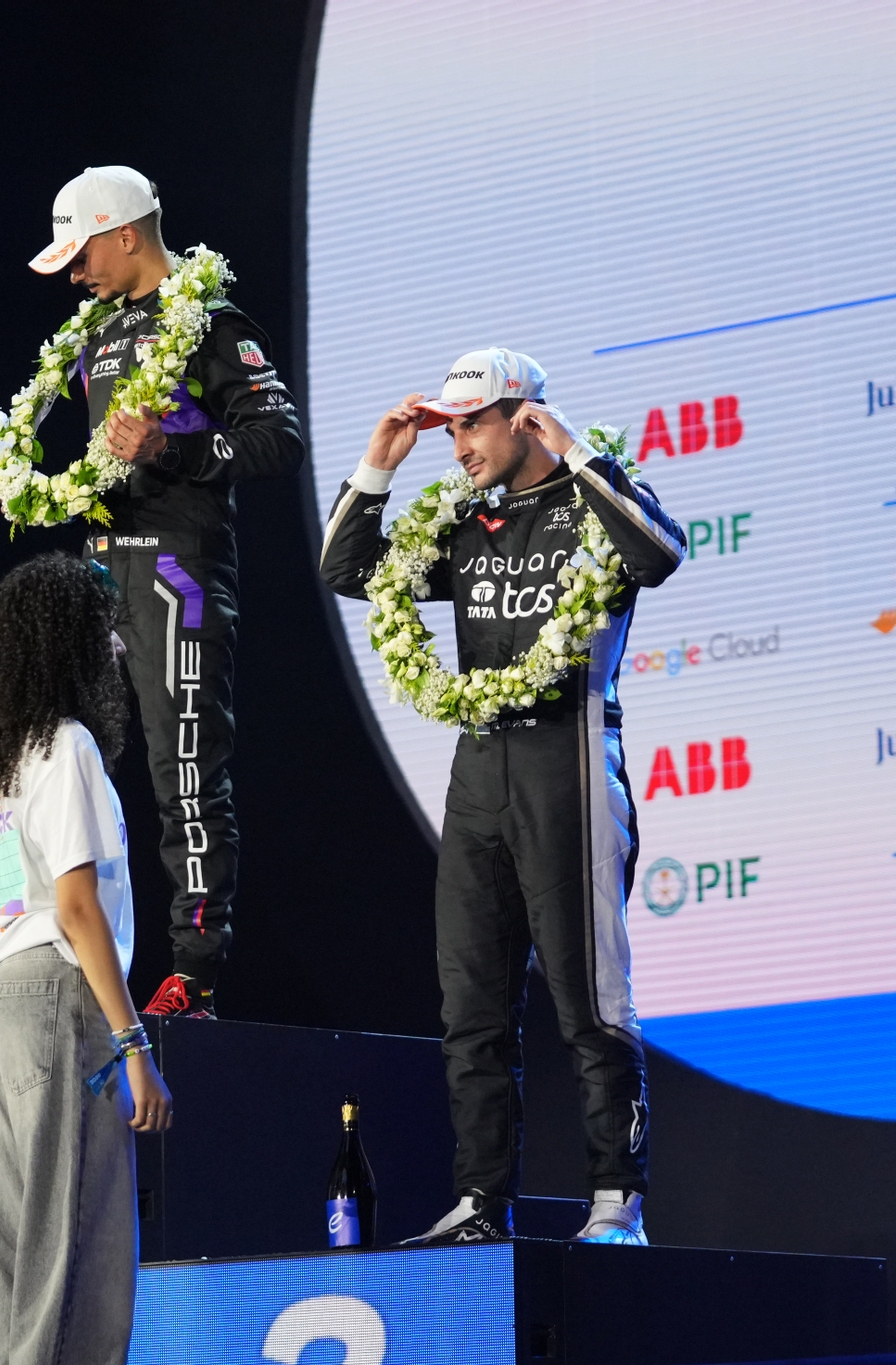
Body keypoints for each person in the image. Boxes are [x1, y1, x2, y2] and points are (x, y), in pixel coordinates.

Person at [318, 348, 685, 1245]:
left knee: (590, 1000)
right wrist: (380, 462)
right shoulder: (462, 516)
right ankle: (482, 1201)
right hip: (479, 771)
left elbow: (661, 552)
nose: (460, 448)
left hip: (571, 765)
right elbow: (348, 569)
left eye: (472, 426)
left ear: (525, 417)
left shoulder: (594, 496)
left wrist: (575, 451)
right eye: (451, 430)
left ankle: (618, 1201)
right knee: (471, 1008)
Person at [14, 166, 308, 1019]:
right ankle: (69, 947)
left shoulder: (210, 320)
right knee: (65, 762)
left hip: (178, 572)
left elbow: (279, 439)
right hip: (98, 573)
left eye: (82, 255)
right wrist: (29, 490)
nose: (76, 274)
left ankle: (196, 973)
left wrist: (169, 449)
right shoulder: (95, 329)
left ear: (127, 233)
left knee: (184, 769)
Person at [0, 553, 173, 1365]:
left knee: (24, 1252)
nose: (117, 647)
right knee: (76, 1250)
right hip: (56, 996)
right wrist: (133, 1042)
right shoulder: (66, 744)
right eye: (104, 631)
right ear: (67, 640)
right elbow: (75, 906)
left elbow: (1, 890)